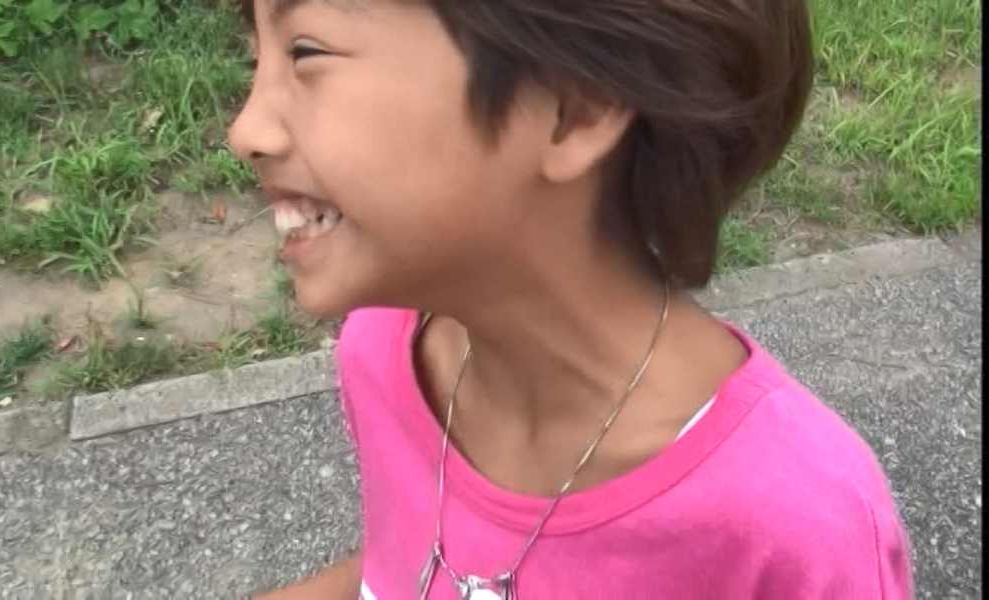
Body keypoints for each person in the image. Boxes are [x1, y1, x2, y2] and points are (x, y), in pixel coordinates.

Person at [229, 0, 914, 598]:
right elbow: (403, 566)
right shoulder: (381, 352)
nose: (245, 131)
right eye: (255, 60)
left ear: (573, 110)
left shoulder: (793, 526)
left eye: (306, 53)